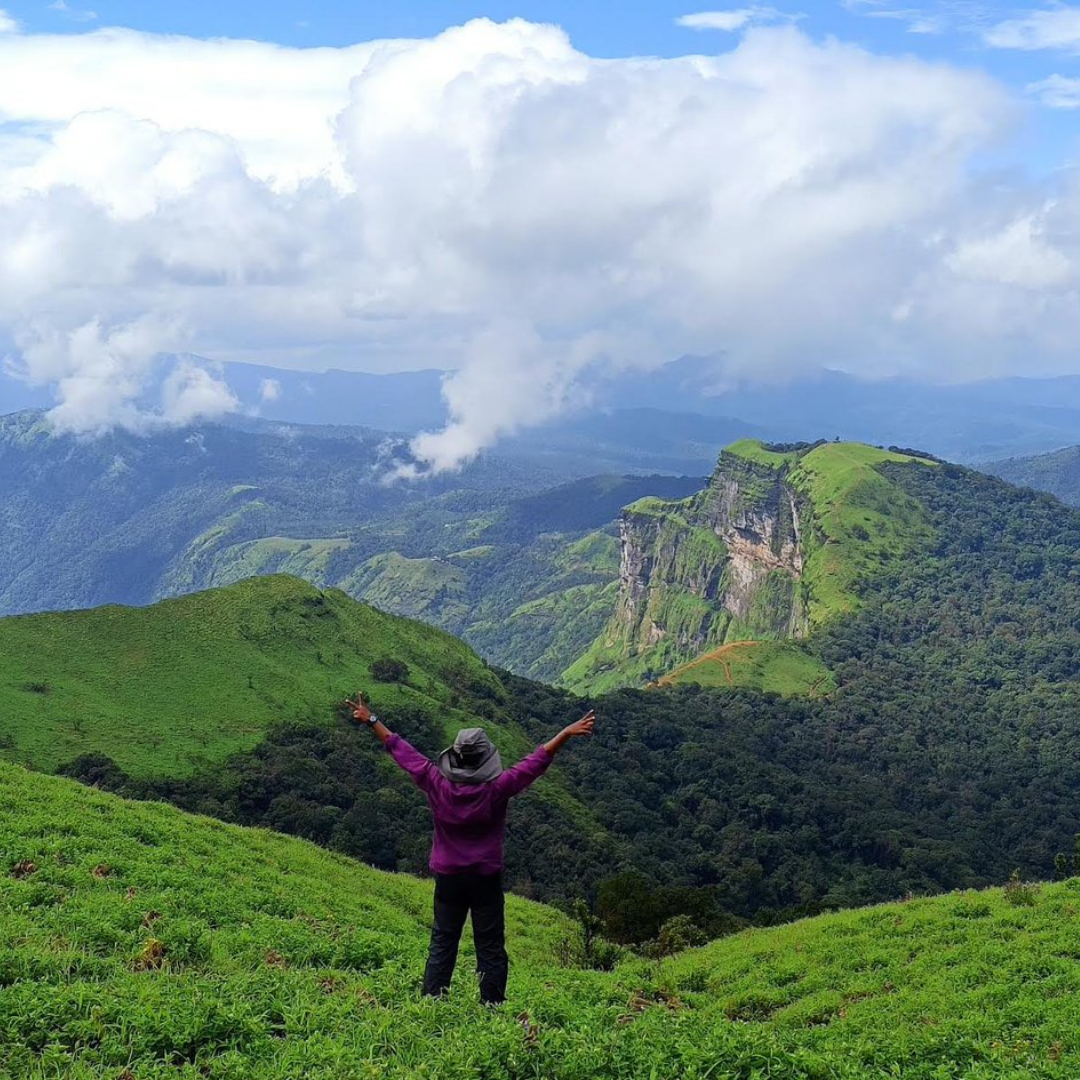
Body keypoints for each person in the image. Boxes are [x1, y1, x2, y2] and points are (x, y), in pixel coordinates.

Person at [346, 690, 595, 1005]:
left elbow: (402, 751)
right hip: (484, 878)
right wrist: (564, 734)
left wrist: (371, 720)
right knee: (490, 945)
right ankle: (491, 1008)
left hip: (448, 876)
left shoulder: (435, 782)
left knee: (443, 940)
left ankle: (432, 1003)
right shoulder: (497, 790)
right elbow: (534, 763)